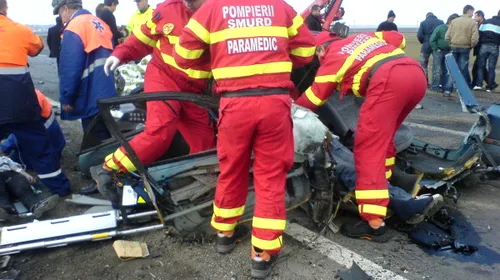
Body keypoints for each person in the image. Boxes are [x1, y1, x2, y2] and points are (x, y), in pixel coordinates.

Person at [174, 1, 316, 277]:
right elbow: (307, 50)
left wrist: (217, 63)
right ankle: (262, 254)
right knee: (271, 175)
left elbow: (183, 54)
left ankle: (225, 234)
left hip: (234, 105)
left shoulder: (212, 9)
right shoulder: (280, 7)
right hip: (274, 103)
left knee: (232, 168)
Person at [294, 31, 426, 242]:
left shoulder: (332, 57)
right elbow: (398, 38)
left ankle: (374, 223)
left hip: (387, 81)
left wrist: (290, 112)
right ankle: (386, 185)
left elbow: (315, 97)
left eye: (317, 56)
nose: (318, 61)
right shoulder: (362, 37)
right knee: (385, 139)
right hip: (415, 74)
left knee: (367, 149)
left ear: (320, 49)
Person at [89, 0, 216, 197]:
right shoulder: (167, 10)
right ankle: (107, 168)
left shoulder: (223, 14)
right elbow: (141, 40)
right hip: (164, 78)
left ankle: (195, 185)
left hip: (194, 91)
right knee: (160, 130)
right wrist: (121, 53)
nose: (188, 3)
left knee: (205, 143)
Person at [1, 0, 71, 197]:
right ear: (5, 9)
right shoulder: (20, 30)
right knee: (39, 147)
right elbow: (37, 48)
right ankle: (61, 189)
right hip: (20, 101)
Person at [331, 138, 444, 225]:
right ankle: (401, 204)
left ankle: (405, 201)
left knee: (360, 164)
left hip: (321, 135)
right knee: (349, 170)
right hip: (315, 146)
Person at [52, 0, 116, 144]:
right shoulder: (100, 23)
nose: (60, 17)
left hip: (90, 93)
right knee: (106, 131)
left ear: (65, 8)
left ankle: (98, 164)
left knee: (95, 137)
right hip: (107, 88)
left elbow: (70, 68)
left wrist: (67, 98)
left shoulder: (74, 27)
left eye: (59, 12)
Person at [1, 90, 66, 169]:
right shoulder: (29, 91)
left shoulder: (20, 107)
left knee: (11, 160)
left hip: (42, 151)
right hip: (57, 142)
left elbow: (21, 133)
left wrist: (4, 147)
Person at [0, 152, 59, 221]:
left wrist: (26, 174)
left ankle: (36, 207)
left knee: (21, 183)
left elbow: (16, 168)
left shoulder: (4, 159)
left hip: (10, 179)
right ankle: (5, 211)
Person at [445, 5, 479, 89]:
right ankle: (464, 89)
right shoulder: (472, 22)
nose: (473, 14)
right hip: (465, 48)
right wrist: (472, 45)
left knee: (452, 68)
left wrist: (451, 43)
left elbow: (447, 36)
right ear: (469, 11)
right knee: (463, 69)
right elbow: (475, 38)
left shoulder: (454, 21)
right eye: (472, 12)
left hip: (453, 46)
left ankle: (448, 89)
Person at [430, 13, 460, 97]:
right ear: (451, 21)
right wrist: (436, 48)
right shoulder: (440, 28)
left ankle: (445, 87)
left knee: (446, 70)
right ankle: (435, 86)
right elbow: (432, 39)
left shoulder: (454, 29)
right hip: (439, 51)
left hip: (449, 51)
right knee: (437, 69)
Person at [476, 10, 500, 93]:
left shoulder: (486, 22)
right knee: (491, 67)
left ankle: (479, 84)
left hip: (484, 45)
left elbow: (479, 33)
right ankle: (489, 87)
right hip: (495, 47)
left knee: (480, 66)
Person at [417, 12, 444, 86]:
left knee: (423, 64)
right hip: (437, 45)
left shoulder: (423, 23)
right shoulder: (440, 22)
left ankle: (425, 82)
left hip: (426, 45)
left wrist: (424, 41)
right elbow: (443, 33)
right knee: (437, 65)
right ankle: (437, 83)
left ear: (427, 16)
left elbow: (419, 35)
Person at [472, 10, 487, 89]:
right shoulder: (479, 24)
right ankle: (490, 83)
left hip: (481, 48)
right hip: (479, 48)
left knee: (478, 67)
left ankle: (476, 83)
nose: (474, 18)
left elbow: (479, 36)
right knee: (481, 67)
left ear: (480, 16)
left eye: (476, 16)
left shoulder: (483, 25)